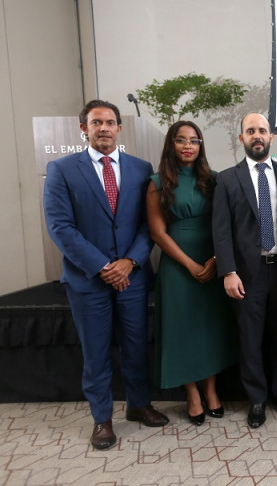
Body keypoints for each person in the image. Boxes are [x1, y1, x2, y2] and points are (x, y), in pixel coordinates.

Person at [43, 99, 169, 451]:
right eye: (96, 122)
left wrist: (130, 262)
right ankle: (102, 419)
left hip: (133, 277)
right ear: (83, 128)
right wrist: (103, 267)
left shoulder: (141, 168)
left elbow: (149, 225)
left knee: (135, 346)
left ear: (119, 128)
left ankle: (139, 404)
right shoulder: (62, 169)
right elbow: (61, 228)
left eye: (110, 122)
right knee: (96, 352)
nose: (104, 128)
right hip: (88, 281)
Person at [146, 121, 238, 426]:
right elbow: (158, 233)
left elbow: (225, 225)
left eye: (194, 140)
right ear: (171, 144)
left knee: (209, 329)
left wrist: (214, 261)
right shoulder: (157, 182)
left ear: (201, 146)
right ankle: (192, 393)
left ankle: (211, 390)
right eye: (181, 140)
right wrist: (190, 265)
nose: (188, 146)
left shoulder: (214, 180)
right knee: (181, 330)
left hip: (213, 263)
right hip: (177, 266)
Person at [212, 113, 277, 429]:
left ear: (271, 137)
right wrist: (228, 271)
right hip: (246, 273)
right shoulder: (227, 179)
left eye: (262, 130)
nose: (257, 135)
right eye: (250, 131)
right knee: (250, 339)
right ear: (242, 139)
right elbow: (220, 231)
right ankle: (257, 400)